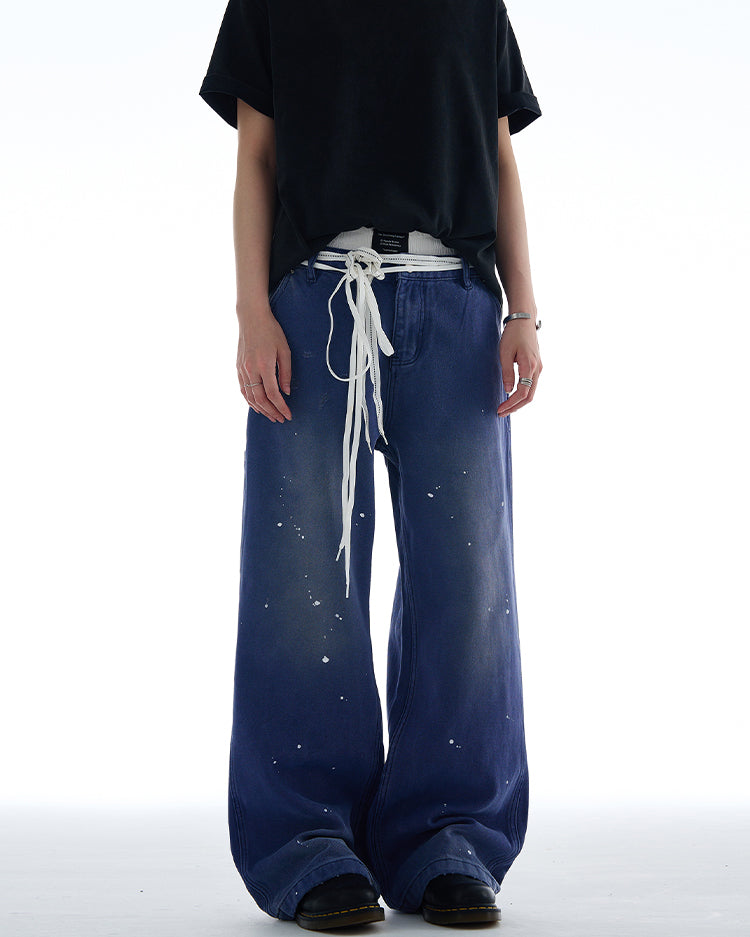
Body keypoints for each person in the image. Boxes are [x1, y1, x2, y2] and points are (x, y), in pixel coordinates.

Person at [198, 0, 543, 928]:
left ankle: (448, 836)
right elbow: (256, 158)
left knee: (467, 587)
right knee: (302, 582)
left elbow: (500, 156)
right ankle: (309, 841)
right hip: (314, 305)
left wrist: (522, 310)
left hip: (456, 305)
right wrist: (253, 311)